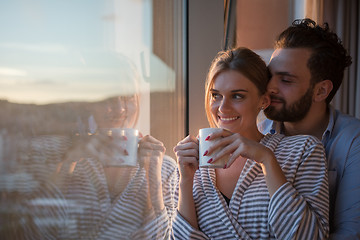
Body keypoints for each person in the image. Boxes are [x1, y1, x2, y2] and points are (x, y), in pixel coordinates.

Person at [0, 54, 178, 240]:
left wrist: (153, 181)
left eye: (128, 98)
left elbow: (165, 237)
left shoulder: (164, 168)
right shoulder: (64, 159)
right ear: (89, 103)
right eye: (108, 98)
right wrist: (69, 162)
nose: (119, 109)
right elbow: (34, 232)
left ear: (139, 100)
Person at [173, 47, 329, 239]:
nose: (222, 107)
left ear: (263, 101)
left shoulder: (303, 150)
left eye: (237, 96)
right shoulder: (192, 164)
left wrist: (266, 159)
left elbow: (312, 236)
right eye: (216, 95)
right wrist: (185, 180)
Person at [258, 18, 360, 239]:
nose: (270, 87)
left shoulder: (354, 143)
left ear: (321, 91)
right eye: (269, 76)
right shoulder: (257, 135)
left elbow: (350, 234)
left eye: (285, 80)